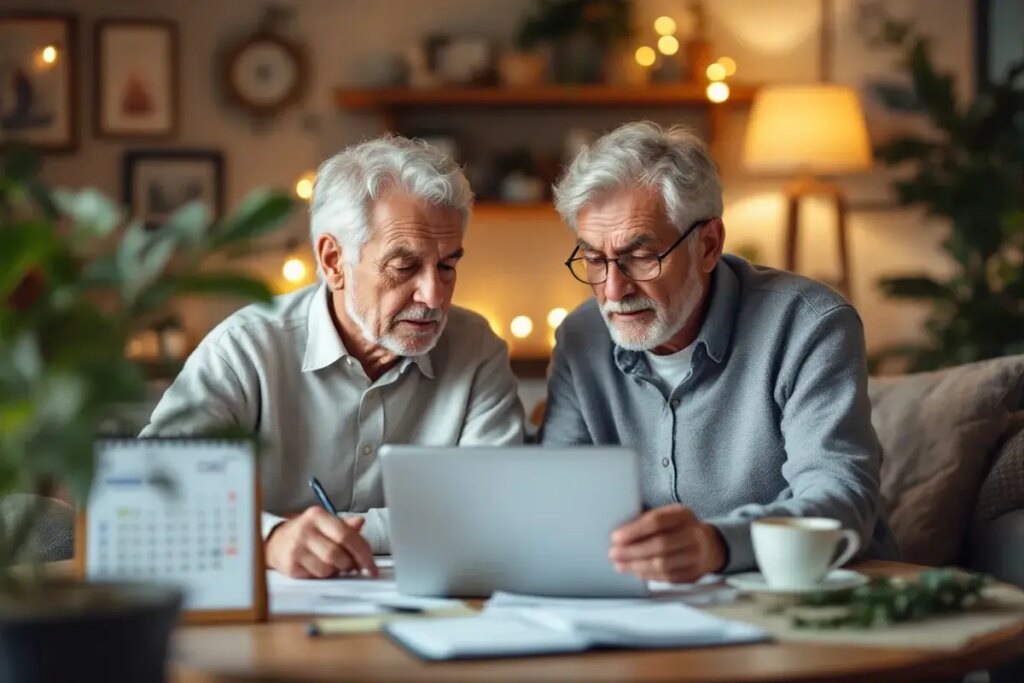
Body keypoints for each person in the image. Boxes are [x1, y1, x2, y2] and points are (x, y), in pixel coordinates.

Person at [143, 136, 524, 578]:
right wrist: (268, 539)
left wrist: (349, 532)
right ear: (333, 260)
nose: (433, 295)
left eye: (447, 266)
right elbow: (150, 487)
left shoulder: (477, 350)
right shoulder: (245, 349)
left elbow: (495, 510)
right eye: (404, 267)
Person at [541, 121, 899, 584]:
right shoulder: (580, 339)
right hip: (649, 609)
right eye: (593, 259)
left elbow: (841, 496)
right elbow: (557, 496)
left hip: (808, 597)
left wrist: (716, 544)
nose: (613, 289)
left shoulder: (809, 324)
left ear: (708, 244)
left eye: (641, 256)